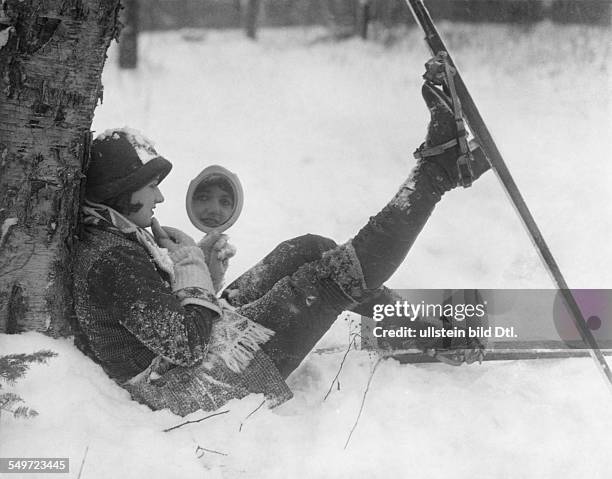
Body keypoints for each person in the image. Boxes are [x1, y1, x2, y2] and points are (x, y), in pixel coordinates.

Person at [73, 80, 490, 416]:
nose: (160, 200)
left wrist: (199, 272)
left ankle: (421, 326)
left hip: (192, 356)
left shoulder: (118, 233)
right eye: (151, 189)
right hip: (189, 388)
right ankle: (436, 173)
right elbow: (185, 344)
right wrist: (196, 280)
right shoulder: (112, 258)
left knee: (306, 249)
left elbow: (167, 322)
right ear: (120, 192)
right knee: (325, 281)